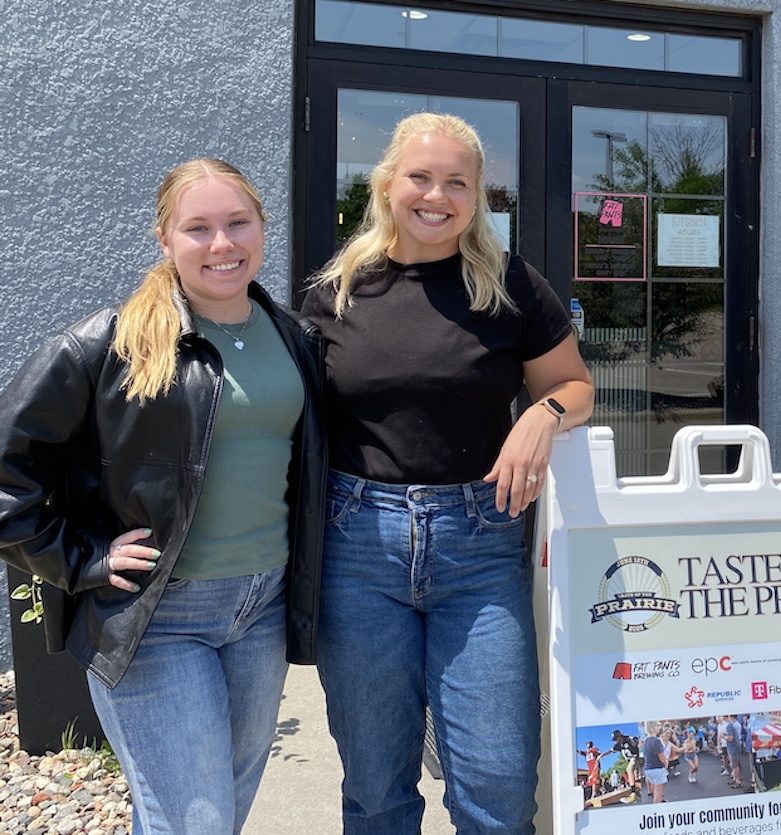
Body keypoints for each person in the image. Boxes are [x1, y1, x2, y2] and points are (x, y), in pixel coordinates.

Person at [0, 158, 325, 833]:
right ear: (164, 238)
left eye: (238, 222)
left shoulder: (293, 337)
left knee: (212, 815)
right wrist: (80, 558)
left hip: (259, 613)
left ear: (263, 225)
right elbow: (8, 470)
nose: (222, 243)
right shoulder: (111, 342)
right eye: (198, 227)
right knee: (195, 821)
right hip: (156, 618)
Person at [301, 112, 595, 834]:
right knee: (377, 789)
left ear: (478, 196)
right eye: (421, 177)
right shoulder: (335, 291)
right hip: (358, 546)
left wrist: (542, 414)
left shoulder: (512, 285)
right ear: (387, 184)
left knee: (495, 791)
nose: (437, 195)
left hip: (480, 545)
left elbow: (576, 385)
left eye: (457, 182)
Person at [641, 722, 669, 803]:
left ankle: (660, 801)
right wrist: (666, 762)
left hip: (648, 768)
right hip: (657, 768)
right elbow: (661, 756)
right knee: (658, 792)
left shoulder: (646, 740)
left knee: (655, 787)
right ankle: (657, 809)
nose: (659, 727)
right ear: (653, 727)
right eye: (658, 725)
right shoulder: (656, 741)